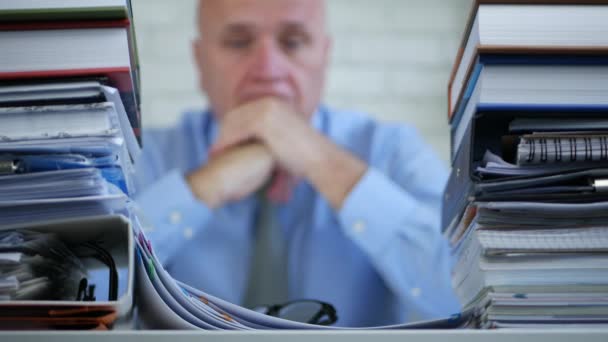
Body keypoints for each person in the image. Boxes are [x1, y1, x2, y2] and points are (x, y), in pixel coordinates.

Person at [134, 0, 460, 327]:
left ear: (324, 55)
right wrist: (208, 185)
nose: (267, 68)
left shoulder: (391, 150)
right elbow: (95, 285)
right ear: (200, 60)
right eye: (238, 41)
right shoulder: (145, 155)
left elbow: (464, 293)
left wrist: (320, 160)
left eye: (293, 42)